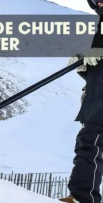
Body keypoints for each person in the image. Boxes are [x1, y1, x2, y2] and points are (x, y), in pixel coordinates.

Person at [59, 1, 103, 203]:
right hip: (96, 100)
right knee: (89, 146)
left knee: (90, 145)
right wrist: (85, 67)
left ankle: (82, 198)